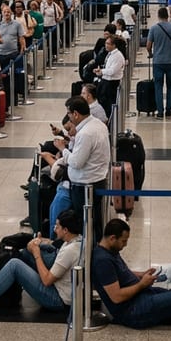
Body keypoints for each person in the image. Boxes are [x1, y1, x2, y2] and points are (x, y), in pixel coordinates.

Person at [0, 210, 84, 318]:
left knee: (15, 264)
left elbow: (46, 281)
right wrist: (41, 244)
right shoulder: (78, 240)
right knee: (25, 253)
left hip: (58, 300)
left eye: (57, 226)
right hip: (62, 288)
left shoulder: (70, 251)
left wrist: (37, 253)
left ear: (66, 230)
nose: (55, 229)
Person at [48, 97, 111, 240]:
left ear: (76, 114)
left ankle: (87, 251)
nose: (68, 117)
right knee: (93, 220)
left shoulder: (85, 133)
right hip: (96, 179)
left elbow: (76, 162)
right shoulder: (97, 125)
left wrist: (63, 149)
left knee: (85, 222)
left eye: (69, 114)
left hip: (85, 184)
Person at [146, 6, 171, 119]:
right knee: (170, 86)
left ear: (158, 16)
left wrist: (151, 53)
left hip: (158, 61)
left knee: (158, 86)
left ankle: (160, 112)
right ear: (167, 16)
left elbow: (148, 46)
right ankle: (169, 110)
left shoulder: (153, 28)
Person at [93, 35, 126, 116]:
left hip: (111, 83)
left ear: (114, 45)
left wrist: (102, 71)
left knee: (108, 105)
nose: (106, 45)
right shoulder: (110, 54)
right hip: (106, 81)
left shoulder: (118, 56)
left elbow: (112, 71)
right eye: (105, 43)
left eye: (108, 44)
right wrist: (101, 71)